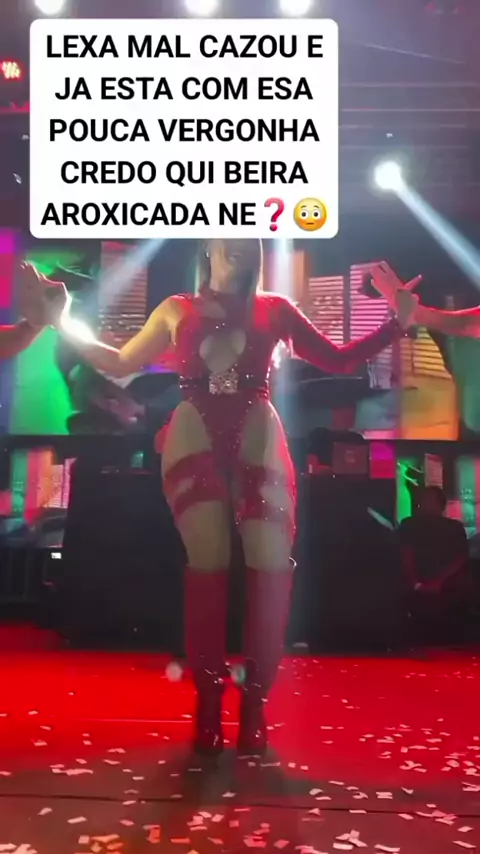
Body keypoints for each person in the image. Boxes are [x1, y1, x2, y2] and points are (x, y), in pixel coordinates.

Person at [19, 240, 417, 756]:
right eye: (229, 238)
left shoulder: (275, 309)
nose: (240, 245)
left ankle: (255, 706)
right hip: (194, 434)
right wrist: (63, 322)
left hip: (257, 433)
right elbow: (118, 361)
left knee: (270, 563)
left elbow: (338, 361)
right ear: (209, 248)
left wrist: (397, 323)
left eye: (249, 240)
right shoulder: (176, 309)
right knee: (208, 564)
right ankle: (208, 704)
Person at [398, 486, 470, 644]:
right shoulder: (410, 525)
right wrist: (419, 583)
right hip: (436, 589)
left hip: (443, 590)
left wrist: (423, 583)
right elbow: (405, 554)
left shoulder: (453, 527)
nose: (425, 504)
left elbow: (461, 558)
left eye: (429, 500)